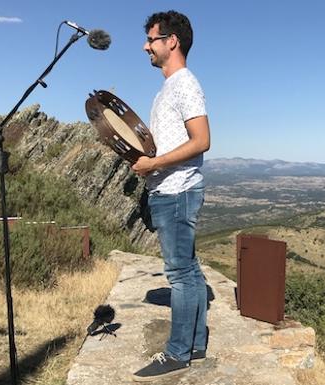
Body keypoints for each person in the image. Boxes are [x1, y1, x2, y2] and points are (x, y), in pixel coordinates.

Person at [131, 10, 210, 381]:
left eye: (152, 39)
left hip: (176, 191)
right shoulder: (170, 86)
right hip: (171, 189)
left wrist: (154, 164)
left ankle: (177, 353)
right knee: (190, 272)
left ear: (171, 41)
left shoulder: (184, 84)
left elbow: (202, 141)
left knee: (179, 275)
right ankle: (194, 344)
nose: (146, 45)